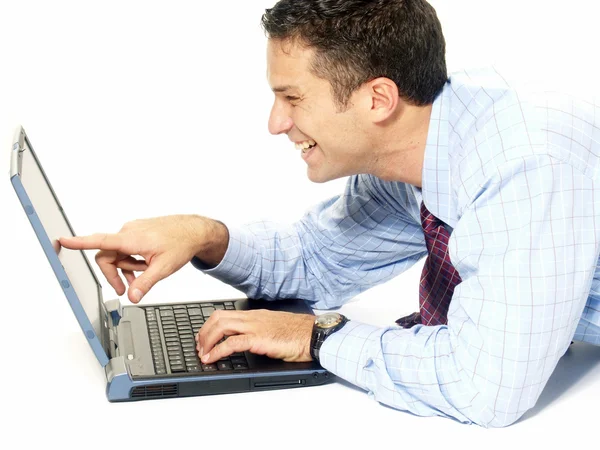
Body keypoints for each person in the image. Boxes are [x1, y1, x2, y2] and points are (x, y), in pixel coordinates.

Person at [59, 0, 600, 427]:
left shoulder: (524, 165)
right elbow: (316, 260)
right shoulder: (420, 150)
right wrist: (206, 236)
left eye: (292, 98)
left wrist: (317, 338)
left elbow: (488, 388)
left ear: (377, 100)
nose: (276, 123)